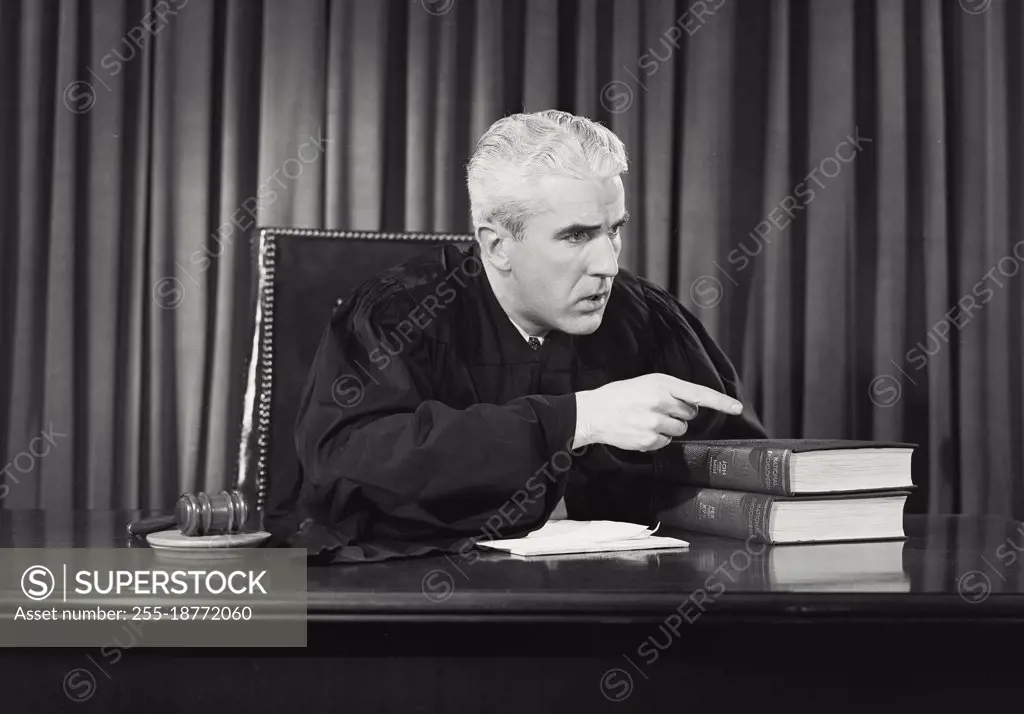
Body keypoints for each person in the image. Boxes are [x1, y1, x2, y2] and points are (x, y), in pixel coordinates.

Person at [269, 110, 766, 563]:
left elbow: (744, 471)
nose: (608, 264)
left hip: (610, 603)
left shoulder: (646, 318)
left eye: (613, 230)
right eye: (576, 236)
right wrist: (577, 419)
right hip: (410, 607)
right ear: (497, 245)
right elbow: (347, 465)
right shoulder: (397, 316)